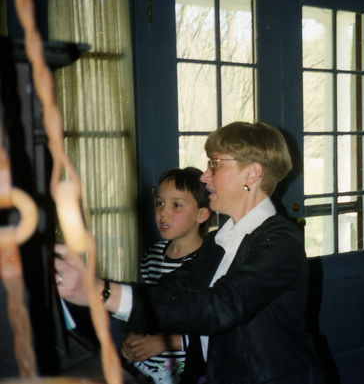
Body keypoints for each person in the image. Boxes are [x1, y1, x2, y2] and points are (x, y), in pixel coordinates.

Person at [55, 121, 325, 384]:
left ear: (252, 175)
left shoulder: (280, 242)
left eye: (215, 164)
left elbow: (219, 307)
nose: (205, 176)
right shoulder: (222, 236)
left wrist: (101, 292)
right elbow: (172, 288)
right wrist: (98, 291)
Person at [121, 167, 212, 384]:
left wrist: (165, 342)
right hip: (148, 369)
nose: (163, 212)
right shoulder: (151, 257)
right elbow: (143, 306)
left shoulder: (208, 262)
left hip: (189, 370)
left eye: (177, 205)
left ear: (201, 214)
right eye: (160, 203)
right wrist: (133, 336)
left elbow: (210, 327)